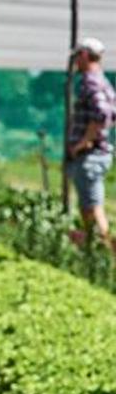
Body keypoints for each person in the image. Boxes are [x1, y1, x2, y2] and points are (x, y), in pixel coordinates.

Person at [67, 36, 115, 243]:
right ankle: (94, 250)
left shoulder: (91, 81)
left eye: (77, 57)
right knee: (89, 206)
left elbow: (103, 115)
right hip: (97, 153)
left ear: (85, 55)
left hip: (90, 154)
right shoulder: (103, 81)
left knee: (93, 208)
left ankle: (105, 256)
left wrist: (84, 142)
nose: (75, 62)